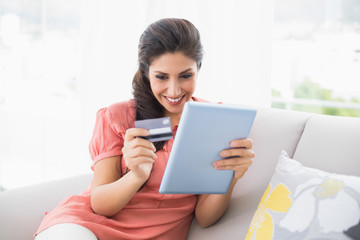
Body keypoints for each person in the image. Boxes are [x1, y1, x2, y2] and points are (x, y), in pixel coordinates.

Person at [34, 18, 255, 240]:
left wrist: (231, 177)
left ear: (198, 69)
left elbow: (205, 218)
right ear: (147, 73)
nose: (174, 90)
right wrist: (136, 176)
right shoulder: (118, 116)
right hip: (85, 226)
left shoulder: (213, 121)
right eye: (161, 77)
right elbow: (100, 204)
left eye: (185, 76)